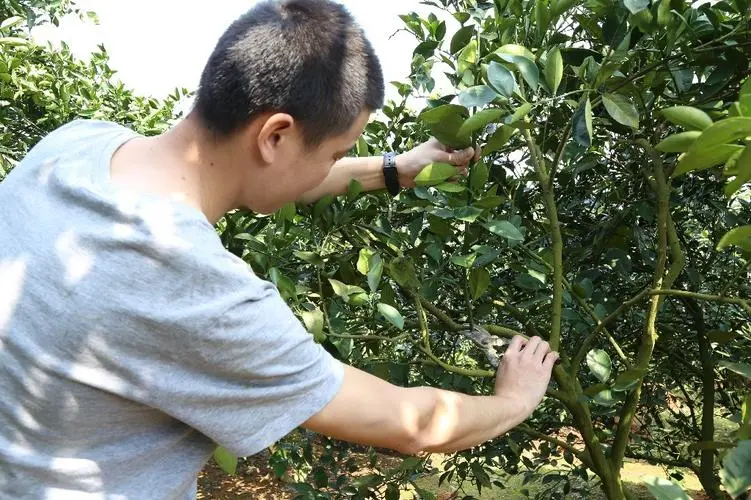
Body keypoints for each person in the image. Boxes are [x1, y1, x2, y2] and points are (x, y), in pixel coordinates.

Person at [0, 0, 559, 497]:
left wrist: (397, 168)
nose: (332, 164)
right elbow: (409, 423)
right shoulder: (196, 290)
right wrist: (516, 400)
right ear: (276, 135)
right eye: (335, 151)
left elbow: (262, 176)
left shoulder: (74, 146)